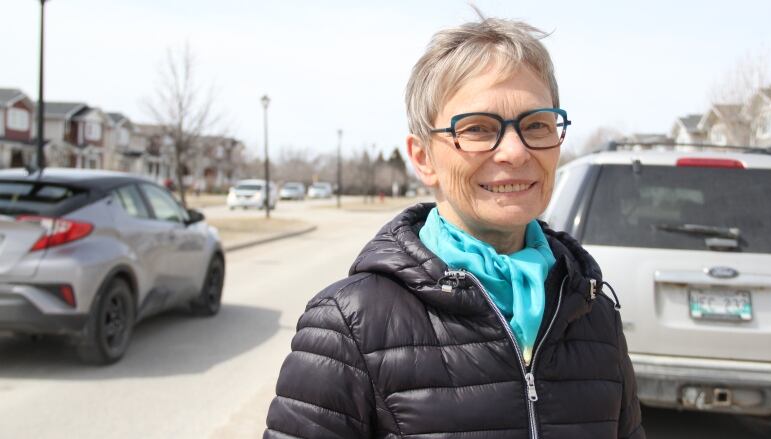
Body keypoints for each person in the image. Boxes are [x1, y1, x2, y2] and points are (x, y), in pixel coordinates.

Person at [264, 18, 645, 439]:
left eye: (536, 124)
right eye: (478, 128)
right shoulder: (349, 326)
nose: (515, 152)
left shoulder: (591, 312)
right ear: (424, 158)